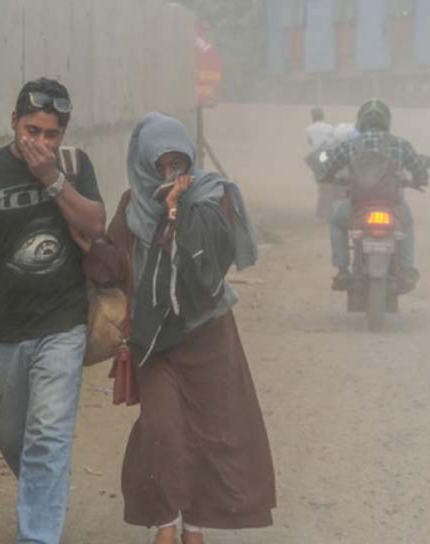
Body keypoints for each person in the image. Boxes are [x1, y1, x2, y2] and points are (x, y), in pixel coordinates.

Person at [86, 113, 276, 544]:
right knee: (163, 431)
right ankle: (166, 523)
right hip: (155, 341)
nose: (171, 173)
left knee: (210, 436)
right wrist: (90, 239)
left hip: (207, 336)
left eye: (178, 163)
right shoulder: (131, 207)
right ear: (144, 164)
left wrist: (176, 212)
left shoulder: (213, 198)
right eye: (161, 165)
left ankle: (194, 527)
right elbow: (113, 266)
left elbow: (209, 267)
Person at [0, 77, 106, 543]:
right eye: (32, 130)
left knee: (47, 436)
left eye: (51, 134)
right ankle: (42, 492)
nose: (41, 142)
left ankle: (37, 535)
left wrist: (52, 179)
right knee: (12, 438)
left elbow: (94, 223)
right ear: (13, 123)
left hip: (62, 323)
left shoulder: (73, 166)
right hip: (3, 330)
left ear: (63, 135)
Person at [320, 99, 429, 290]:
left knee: (337, 222)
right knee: (408, 224)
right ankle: (406, 270)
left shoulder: (350, 144)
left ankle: (343, 270)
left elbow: (328, 167)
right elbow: (419, 169)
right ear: (387, 121)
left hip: (357, 207)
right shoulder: (400, 144)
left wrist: (329, 177)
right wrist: (419, 180)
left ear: (361, 121)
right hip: (393, 206)